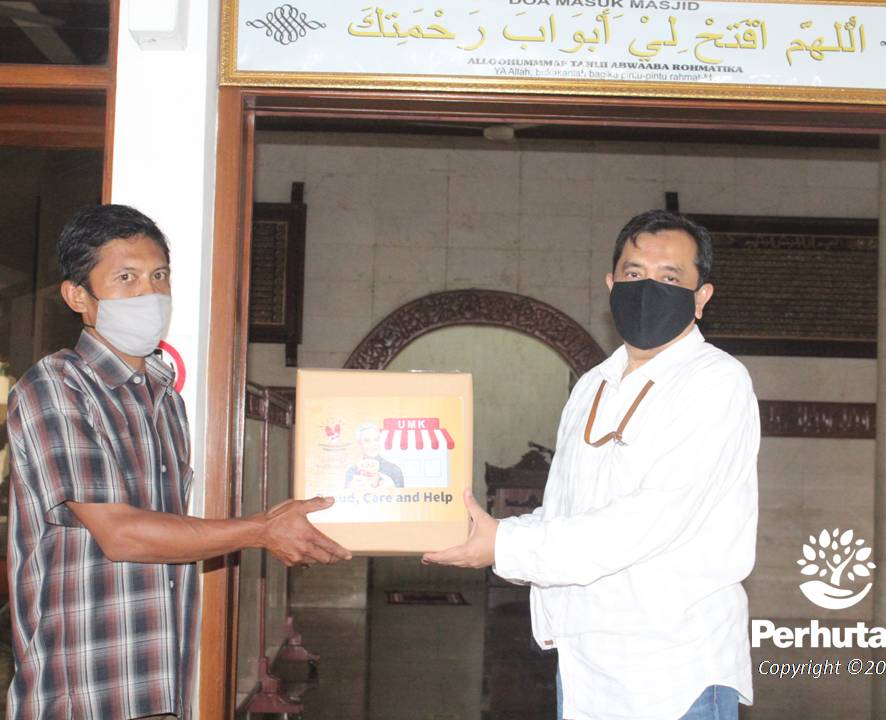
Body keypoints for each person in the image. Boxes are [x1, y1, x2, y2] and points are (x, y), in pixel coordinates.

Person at [5, 204, 352, 720]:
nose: (149, 294)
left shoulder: (165, 397)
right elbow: (122, 534)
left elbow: (170, 536)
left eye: (159, 276)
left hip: (160, 686)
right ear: (78, 296)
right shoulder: (56, 387)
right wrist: (261, 530)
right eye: (126, 278)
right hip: (83, 690)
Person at [424, 209, 760, 720]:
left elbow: (648, 521)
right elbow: (567, 511)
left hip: (673, 671)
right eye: (634, 274)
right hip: (585, 664)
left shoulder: (715, 383)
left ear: (701, 297)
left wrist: (505, 544)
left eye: (670, 278)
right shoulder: (593, 385)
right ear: (611, 284)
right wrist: (488, 532)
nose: (648, 289)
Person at [344, 422, 405, 489]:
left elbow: (402, 494)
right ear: (359, 444)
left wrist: (392, 488)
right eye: (367, 440)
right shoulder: (351, 472)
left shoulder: (394, 470)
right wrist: (350, 489)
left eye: (376, 440)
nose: (373, 444)